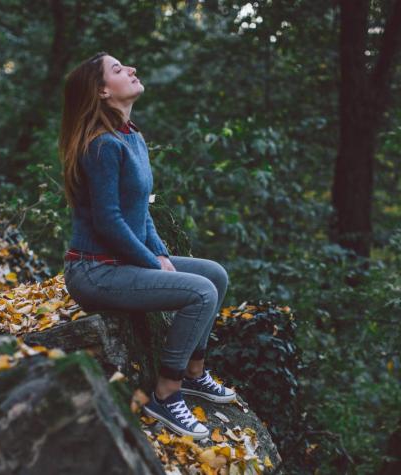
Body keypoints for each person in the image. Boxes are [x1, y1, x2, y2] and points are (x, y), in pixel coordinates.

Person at [58, 52, 236, 440]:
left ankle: (193, 372)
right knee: (200, 293)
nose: (133, 69)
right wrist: (151, 262)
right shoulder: (101, 146)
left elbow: (141, 213)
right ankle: (166, 394)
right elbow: (108, 222)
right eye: (119, 70)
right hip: (95, 271)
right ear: (102, 91)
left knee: (215, 276)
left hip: (121, 262)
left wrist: (158, 254)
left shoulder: (131, 136)